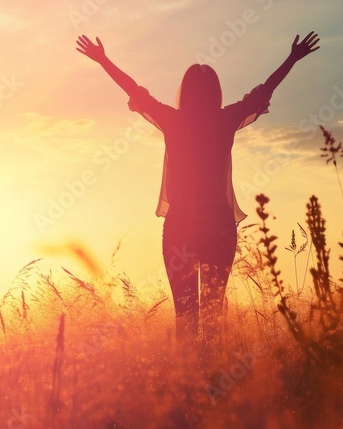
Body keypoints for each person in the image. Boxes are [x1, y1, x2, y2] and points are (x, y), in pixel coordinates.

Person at [75, 32, 321, 347]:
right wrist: (291, 58)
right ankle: (215, 380)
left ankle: (189, 382)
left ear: (184, 93)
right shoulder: (227, 118)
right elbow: (264, 91)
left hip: (180, 225)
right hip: (218, 224)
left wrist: (103, 60)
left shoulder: (172, 119)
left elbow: (134, 89)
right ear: (215, 93)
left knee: (185, 315)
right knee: (214, 311)